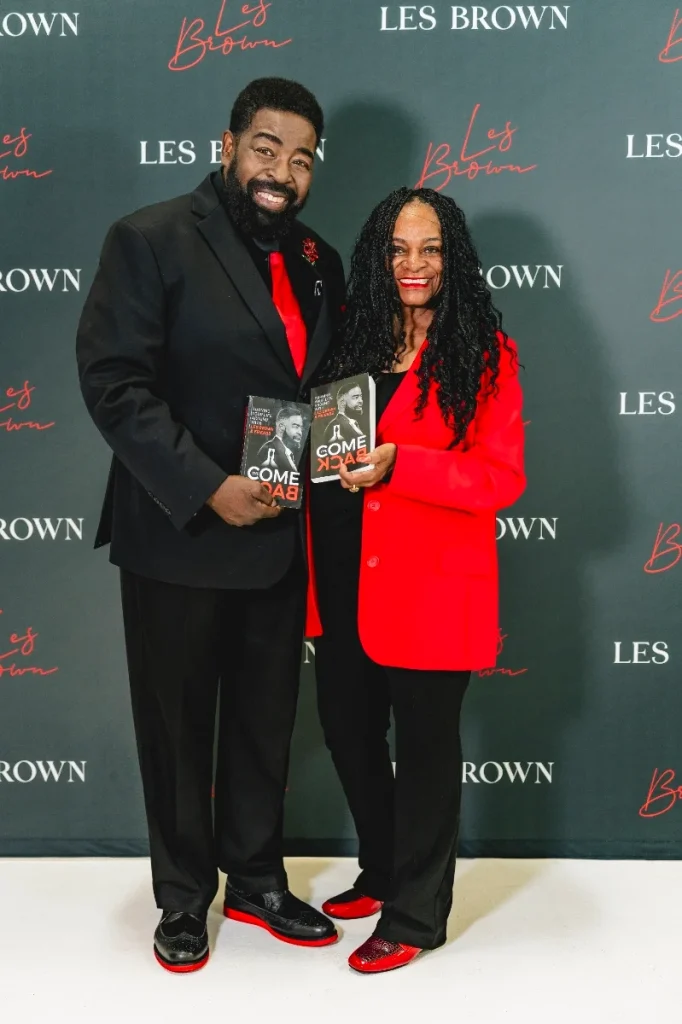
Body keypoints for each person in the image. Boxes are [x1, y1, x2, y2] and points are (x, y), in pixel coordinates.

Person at [76, 77, 345, 973]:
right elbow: (115, 382)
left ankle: (258, 879)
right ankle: (185, 897)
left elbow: (322, 389)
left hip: (279, 533)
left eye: (301, 158)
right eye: (266, 148)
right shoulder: (150, 237)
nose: (281, 171)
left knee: (265, 721)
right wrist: (206, 486)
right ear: (227, 146)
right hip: (181, 532)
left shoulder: (318, 259)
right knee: (179, 727)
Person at [309, 187, 526, 974]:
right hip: (342, 578)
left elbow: (501, 479)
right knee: (348, 729)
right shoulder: (352, 341)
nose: (414, 264)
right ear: (378, 257)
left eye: (430, 248)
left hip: (432, 587)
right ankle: (382, 868)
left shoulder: (484, 353)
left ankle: (415, 915)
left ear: (452, 257)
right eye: (399, 249)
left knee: (428, 751)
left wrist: (404, 465)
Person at [257, 406, 304, 472]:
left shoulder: (289, 454)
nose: (300, 432)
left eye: (301, 428)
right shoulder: (269, 449)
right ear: (281, 427)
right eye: (296, 426)